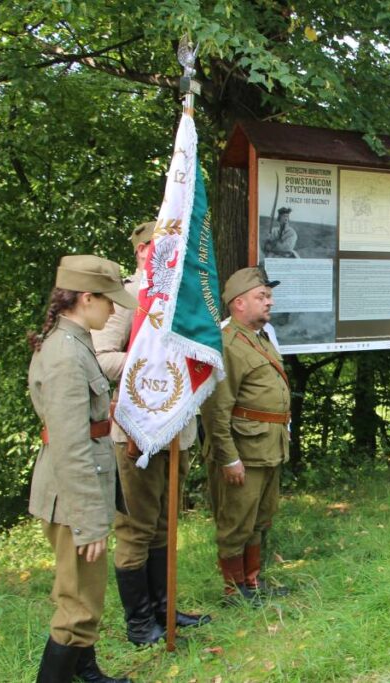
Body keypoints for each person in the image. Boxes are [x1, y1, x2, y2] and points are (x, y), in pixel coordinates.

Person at [91, 222, 209, 646]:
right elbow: (101, 357)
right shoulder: (125, 299)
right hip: (136, 431)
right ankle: (141, 624)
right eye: (160, 248)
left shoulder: (184, 299)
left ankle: (165, 609)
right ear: (143, 251)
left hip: (175, 429)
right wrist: (152, 366)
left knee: (164, 525)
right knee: (136, 529)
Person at [27, 255, 137, 683]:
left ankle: (87, 675)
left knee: (85, 595)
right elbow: (71, 446)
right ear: (85, 298)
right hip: (73, 497)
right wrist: (89, 522)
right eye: (109, 301)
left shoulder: (75, 342)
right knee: (77, 608)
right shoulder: (65, 354)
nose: (114, 311)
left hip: (79, 491)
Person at [201, 266, 291, 603]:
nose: (270, 302)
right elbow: (215, 409)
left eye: (268, 295)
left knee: (259, 517)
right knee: (236, 521)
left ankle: (252, 581)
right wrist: (229, 458)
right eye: (262, 296)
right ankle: (233, 589)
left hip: (268, 445)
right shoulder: (227, 344)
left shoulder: (260, 338)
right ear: (239, 303)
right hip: (244, 450)